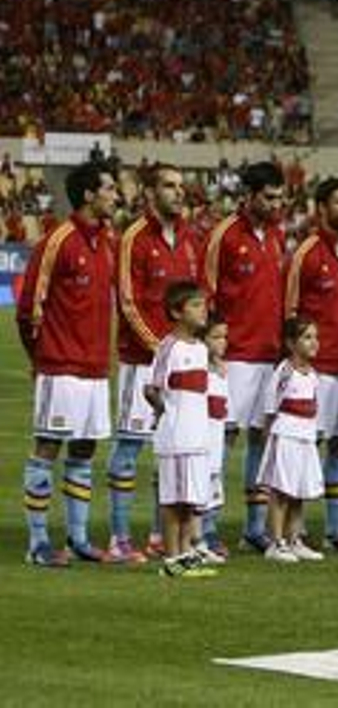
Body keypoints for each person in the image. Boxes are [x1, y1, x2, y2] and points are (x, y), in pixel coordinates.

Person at [18, 161, 119, 567]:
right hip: (60, 366)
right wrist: (40, 358)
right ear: (89, 195)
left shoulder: (106, 242)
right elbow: (28, 309)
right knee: (47, 448)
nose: (116, 195)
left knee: (84, 450)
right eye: (110, 188)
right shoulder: (58, 240)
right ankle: (38, 543)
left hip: (95, 369)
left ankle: (78, 537)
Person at [110, 163, 201, 564]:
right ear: (150, 194)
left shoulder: (187, 239)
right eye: (169, 186)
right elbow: (128, 303)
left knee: (171, 450)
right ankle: (118, 537)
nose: (179, 193)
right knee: (129, 449)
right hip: (139, 361)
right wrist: (160, 347)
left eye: (181, 186)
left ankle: (158, 534)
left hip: (178, 366)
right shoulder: (133, 237)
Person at [204, 160, 287, 553]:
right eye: (269, 197)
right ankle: (205, 525)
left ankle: (254, 527)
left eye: (279, 197)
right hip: (233, 355)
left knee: (261, 439)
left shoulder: (276, 236)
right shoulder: (224, 235)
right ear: (249, 196)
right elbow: (206, 294)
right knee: (223, 436)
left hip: (268, 354)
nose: (276, 204)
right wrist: (212, 349)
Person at [285, 177, 338, 553]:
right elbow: (289, 311)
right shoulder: (306, 253)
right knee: (306, 447)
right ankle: (295, 530)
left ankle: (335, 531)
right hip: (316, 369)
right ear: (321, 209)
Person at [145, 281, 216, 579]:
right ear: (176, 312)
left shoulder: (201, 348)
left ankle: (186, 554)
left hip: (197, 436)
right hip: (176, 437)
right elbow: (151, 388)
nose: (204, 310)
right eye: (196, 305)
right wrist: (165, 412)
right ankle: (172, 558)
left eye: (204, 304)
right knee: (174, 500)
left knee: (191, 500)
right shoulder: (168, 347)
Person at [258, 318, 325, 564]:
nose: (314, 342)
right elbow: (270, 408)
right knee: (282, 491)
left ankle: (294, 538)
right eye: (307, 337)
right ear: (290, 343)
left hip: (305, 437)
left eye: (315, 337)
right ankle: (276, 542)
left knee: (300, 492)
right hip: (285, 436)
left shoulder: (314, 375)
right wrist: (269, 439)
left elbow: (315, 407)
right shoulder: (285, 372)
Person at [201, 320, 230, 557]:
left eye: (224, 337)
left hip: (215, 439)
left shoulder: (222, 370)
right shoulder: (199, 371)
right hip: (200, 440)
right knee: (199, 489)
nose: (222, 343)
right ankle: (198, 539)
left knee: (213, 485)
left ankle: (208, 533)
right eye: (216, 337)